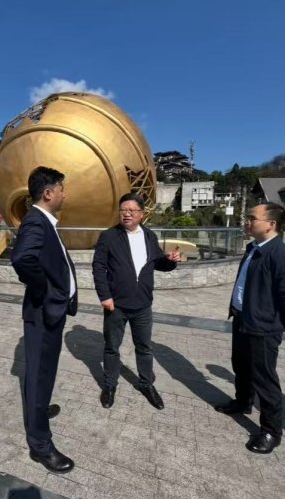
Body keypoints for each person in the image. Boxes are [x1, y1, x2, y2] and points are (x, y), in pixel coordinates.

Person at [214, 202, 285, 454]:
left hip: (263, 327)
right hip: (243, 319)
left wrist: (283, 324)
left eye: (253, 218)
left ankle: (271, 431)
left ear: (271, 224)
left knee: (264, 379)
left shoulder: (282, 257)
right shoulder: (254, 248)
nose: (247, 222)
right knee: (241, 366)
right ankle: (243, 402)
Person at [11, 166, 77, 474]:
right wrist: (46, 292)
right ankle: (40, 445)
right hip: (43, 311)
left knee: (45, 370)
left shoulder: (45, 221)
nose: (65, 194)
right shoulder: (36, 221)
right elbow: (22, 259)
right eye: (62, 189)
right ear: (48, 193)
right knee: (39, 373)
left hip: (51, 311)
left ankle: (38, 410)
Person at [92, 193, 181, 410]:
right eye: (123, 210)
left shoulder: (149, 236)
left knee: (144, 348)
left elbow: (157, 263)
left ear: (141, 214)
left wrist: (170, 261)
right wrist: (105, 296)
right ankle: (110, 385)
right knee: (112, 348)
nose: (127, 214)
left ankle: (146, 384)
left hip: (143, 305)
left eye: (132, 210)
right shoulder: (109, 236)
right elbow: (98, 267)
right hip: (116, 305)